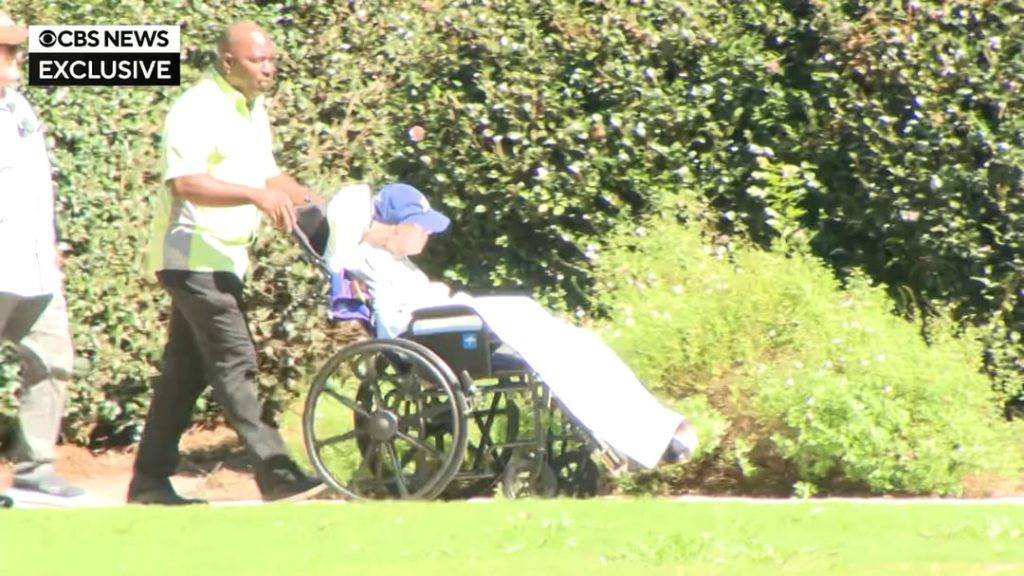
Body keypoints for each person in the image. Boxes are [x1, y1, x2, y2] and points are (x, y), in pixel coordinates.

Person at [321, 183, 698, 468]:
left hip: (451, 320)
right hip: (438, 330)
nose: (428, 234)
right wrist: (433, 293)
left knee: (580, 344)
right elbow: (395, 316)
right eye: (422, 227)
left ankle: (650, 430)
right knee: (559, 346)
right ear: (398, 227)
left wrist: (433, 290)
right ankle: (646, 435)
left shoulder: (389, 260)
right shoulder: (369, 260)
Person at [128, 21, 323, 505]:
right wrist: (255, 197)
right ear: (228, 61)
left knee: (183, 374)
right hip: (190, 254)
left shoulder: (251, 109)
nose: (269, 68)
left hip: (222, 260)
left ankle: (148, 483)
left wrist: (321, 203)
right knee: (237, 361)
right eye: (259, 60)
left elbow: (269, 174)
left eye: (272, 59)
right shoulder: (197, 108)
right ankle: (276, 474)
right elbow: (185, 183)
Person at [0, 11, 85, 502]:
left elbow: (32, 188)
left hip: (33, 265)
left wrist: (49, 244)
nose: (15, 57)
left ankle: (35, 467)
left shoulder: (19, 108)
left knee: (52, 360)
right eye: (6, 48)